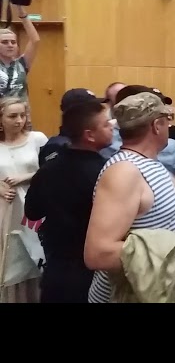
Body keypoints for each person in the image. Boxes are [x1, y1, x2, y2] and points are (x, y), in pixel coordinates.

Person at [84, 92, 175, 303]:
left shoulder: (148, 163)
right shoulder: (124, 172)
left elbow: (174, 194)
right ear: (157, 126)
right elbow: (98, 253)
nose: (170, 126)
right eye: (167, 120)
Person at [25, 100, 113, 302]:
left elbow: (32, 212)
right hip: (94, 275)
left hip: (56, 272)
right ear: (89, 135)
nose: (112, 127)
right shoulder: (107, 172)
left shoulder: (48, 169)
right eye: (106, 124)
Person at [0, 97, 48, 302]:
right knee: (10, 258)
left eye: (22, 115)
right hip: (6, 209)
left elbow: (51, 169)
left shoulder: (37, 139)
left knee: (36, 253)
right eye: (12, 116)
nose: (19, 120)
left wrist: (26, 177)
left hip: (34, 206)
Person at [38, 89, 109, 166]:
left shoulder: (93, 143)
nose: (98, 111)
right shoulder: (56, 147)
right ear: (76, 113)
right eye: (92, 109)